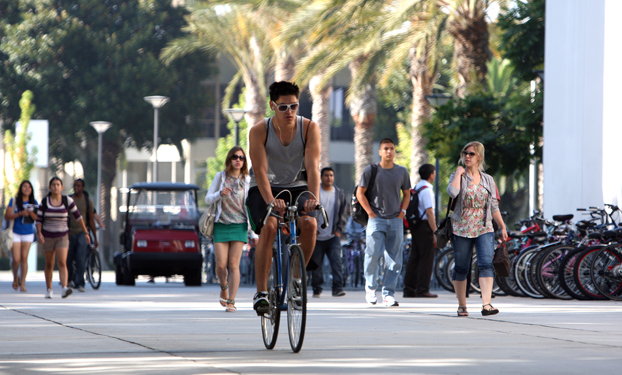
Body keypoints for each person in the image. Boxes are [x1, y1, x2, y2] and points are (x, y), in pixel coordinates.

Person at [246, 81, 321, 315]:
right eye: (283, 107)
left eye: (294, 106)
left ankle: (296, 281)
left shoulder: (309, 129)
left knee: (310, 224)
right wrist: (271, 202)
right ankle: (261, 293)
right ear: (272, 106)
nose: (289, 112)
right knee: (269, 226)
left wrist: (313, 197)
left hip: (297, 187)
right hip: (264, 187)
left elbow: (313, 166)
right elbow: (259, 170)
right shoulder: (259, 130)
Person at [448, 141, 508, 317]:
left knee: (486, 264)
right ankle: (462, 305)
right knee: (461, 267)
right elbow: (452, 193)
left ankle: (486, 304)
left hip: (484, 227)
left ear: (479, 157)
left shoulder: (488, 179)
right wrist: (459, 174)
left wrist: (502, 226)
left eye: (471, 154)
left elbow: (494, 206)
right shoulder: (458, 174)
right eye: (465, 153)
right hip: (461, 227)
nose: (467, 156)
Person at [356, 138, 411, 307]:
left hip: (395, 220)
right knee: (373, 255)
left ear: (395, 151)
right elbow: (360, 193)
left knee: (395, 260)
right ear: (380, 151)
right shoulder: (371, 170)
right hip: (376, 220)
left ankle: (388, 294)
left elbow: (407, 194)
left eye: (392, 148)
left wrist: (402, 213)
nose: (389, 151)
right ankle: (371, 289)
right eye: (385, 148)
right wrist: (371, 213)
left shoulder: (402, 171)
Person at [205, 146, 258, 312]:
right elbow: (207, 199)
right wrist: (219, 194)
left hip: (240, 225)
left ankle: (231, 301)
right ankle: (223, 286)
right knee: (220, 265)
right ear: (229, 159)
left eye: (241, 158)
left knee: (234, 264)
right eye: (235, 157)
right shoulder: (220, 177)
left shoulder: (248, 181)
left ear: (244, 162)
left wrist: (254, 232)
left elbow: (251, 208)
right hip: (221, 225)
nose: (238, 160)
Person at [36, 177, 91, 299]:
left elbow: (78, 217)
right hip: (48, 236)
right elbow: (39, 220)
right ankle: (49, 289)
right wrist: (39, 233)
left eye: (58, 184)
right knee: (50, 263)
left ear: (62, 187)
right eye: (53, 185)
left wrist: (86, 232)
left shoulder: (67, 201)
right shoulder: (45, 202)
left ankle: (64, 288)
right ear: (50, 187)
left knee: (62, 262)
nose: (56, 187)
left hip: (63, 236)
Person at [310, 167, 348, 298]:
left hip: (333, 236)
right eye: (326, 175)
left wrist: (339, 230)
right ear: (321, 177)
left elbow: (343, 212)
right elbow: (309, 210)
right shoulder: (315, 192)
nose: (329, 178)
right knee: (316, 264)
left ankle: (337, 288)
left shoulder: (339, 193)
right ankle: (317, 288)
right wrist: (312, 227)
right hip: (317, 236)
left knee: (336, 262)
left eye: (331, 175)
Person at [403, 164, 438, 298]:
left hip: (415, 225)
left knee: (415, 257)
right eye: (434, 173)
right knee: (426, 258)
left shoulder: (417, 187)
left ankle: (409, 288)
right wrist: (435, 231)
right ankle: (423, 289)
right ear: (431, 175)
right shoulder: (427, 190)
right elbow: (429, 212)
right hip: (424, 226)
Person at [4, 180, 38, 292]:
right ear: (21, 188)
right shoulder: (14, 201)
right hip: (15, 233)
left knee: (24, 258)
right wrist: (20, 213)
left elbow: (37, 218)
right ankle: (15, 278)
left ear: (31, 190)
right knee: (16, 259)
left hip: (28, 233)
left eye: (29, 187)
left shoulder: (34, 202)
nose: (27, 189)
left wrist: (30, 212)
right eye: (24, 186)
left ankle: (22, 283)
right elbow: (7, 216)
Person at [67, 179, 98, 292]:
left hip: (82, 233)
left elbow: (90, 219)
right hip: (69, 233)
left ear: (83, 187)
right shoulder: (69, 200)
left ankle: (80, 283)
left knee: (81, 258)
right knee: (68, 259)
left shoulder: (86, 200)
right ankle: (69, 280)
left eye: (79, 186)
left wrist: (94, 237)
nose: (76, 188)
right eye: (75, 185)